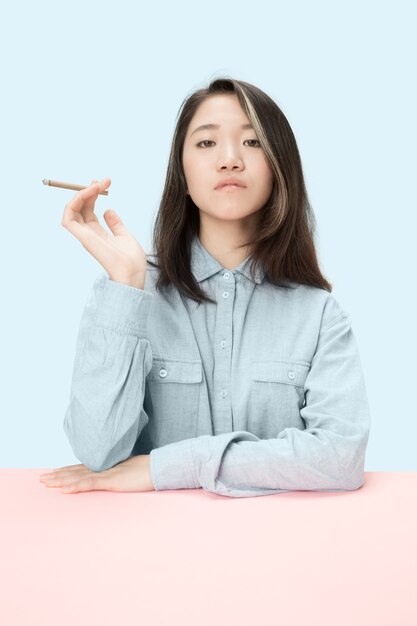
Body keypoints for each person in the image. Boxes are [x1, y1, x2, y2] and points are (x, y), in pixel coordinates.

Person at [40, 77, 371, 497]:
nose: (230, 159)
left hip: (282, 549)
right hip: (148, 548)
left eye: (252, 143)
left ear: (279, 166)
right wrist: (126, 285)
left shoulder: (320, 314)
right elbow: (96, 453)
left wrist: (171, 466)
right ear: (181, 169)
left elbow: (340, 459)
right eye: (206, 143)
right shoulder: (132, 295)